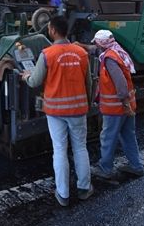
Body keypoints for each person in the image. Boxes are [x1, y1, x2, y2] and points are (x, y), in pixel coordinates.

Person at [21, 16, 93, 207]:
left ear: (52, 30)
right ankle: (84, 188)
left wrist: (27, 76)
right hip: (78, 110)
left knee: (60, 150)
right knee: (80, 147)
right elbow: (89, 83)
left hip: (55, 112)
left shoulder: (47, 54)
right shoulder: (81, 53)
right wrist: (89, 102)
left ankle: (63, 194)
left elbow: (35, 81)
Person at [82, 29, 144, 179]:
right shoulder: (116, 51)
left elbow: (121, 85)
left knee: (108, 137)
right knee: (128, 135)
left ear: (102, 44)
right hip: (126, 106)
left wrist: (124, 104)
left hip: (117, 108)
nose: (95, 46)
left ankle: (106, 169)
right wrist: (80, 45)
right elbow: (94, 49)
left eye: (96, 44)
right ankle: (136, 166)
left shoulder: (109, 60)